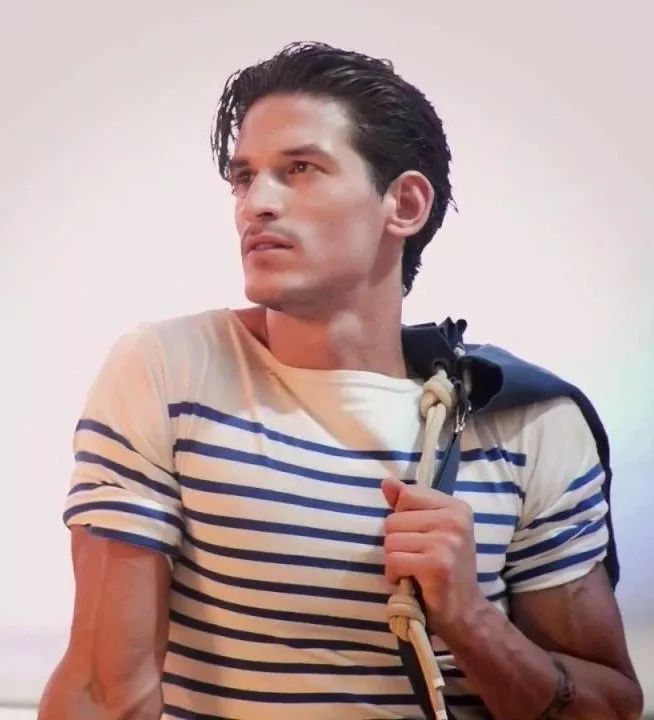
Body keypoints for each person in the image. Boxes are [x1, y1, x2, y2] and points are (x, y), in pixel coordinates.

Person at [39, 42, 642, 720]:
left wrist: (471, 619)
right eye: (245, 178)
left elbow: (611, 706)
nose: (256, 204)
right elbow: (103, 693)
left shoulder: (525, 421)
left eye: (299, 169)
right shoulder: (171, 371)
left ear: (404, 204)